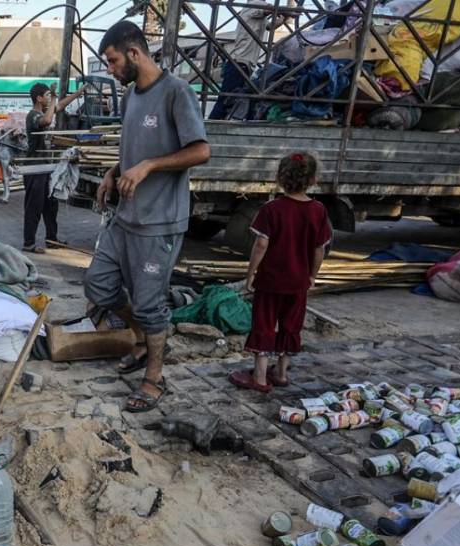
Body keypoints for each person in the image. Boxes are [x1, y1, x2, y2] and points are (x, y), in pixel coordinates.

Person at [84, 21, 211, 413]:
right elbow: (131, 151)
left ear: (135, 53)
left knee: (149, 303)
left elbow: (201, 151)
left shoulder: (177, 92)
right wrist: (113, 172)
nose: (110, 68)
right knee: (98, 286)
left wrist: (150, 166)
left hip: (159, 222)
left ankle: (154, 378)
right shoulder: (130, 98)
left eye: (112, 60)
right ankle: (141, 337)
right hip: (126, 217)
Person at [230, 153, 330, 392]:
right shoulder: (318, 210)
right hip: (298, 283)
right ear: (314, 180)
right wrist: (312, 275)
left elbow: (261, 244)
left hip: (270, 282)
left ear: (279, 178)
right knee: (291, 326)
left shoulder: (271, 209)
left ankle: (260, 377)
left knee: (264, 325)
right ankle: (282, 373)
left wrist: (251, 273)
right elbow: (319, 249)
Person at [23, 82, 87, 253]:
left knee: (51, 206)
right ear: (38, 98)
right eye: (46, 95)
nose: (49, 98)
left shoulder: (45, 110)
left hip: (47, 168)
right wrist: (53, 99)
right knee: (34, 207)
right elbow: (48, 120)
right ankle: (28, 243)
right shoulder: (33, 116)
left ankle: (52, 240)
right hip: (34, 169)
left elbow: (60, 105)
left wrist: (78, 93)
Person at [209, 0, 295, 120]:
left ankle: (215, 125)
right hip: (239, 63)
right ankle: (211, 127)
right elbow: (271, 8)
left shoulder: (254, 12)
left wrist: (284, 18)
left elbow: (270, 26)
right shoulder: (255, 3)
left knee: (231, 101)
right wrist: (290, 11)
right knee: (225, 101)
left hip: (243, 63)